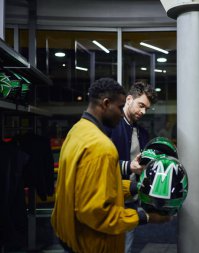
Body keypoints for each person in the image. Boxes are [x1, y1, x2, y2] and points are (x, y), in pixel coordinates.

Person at [51, 78, 169, 253]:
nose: (122, 114)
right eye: (120, 108)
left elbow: (95, 186)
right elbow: (97, 214)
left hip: (69, 233)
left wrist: (137, 186)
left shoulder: (76, 131)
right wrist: (147, 216)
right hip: (90, 243)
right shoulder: (101, 146)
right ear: (106, 104)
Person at [106, 81, 158, 253]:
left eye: (146, 109)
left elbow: (141, 166)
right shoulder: (109, 127)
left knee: (125, 248)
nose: (143, 112)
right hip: (110, 199)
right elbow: (101, 165)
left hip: (131, 199)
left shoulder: (142, 133)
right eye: (141, 105)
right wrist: (129, 167)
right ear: (129, 99)